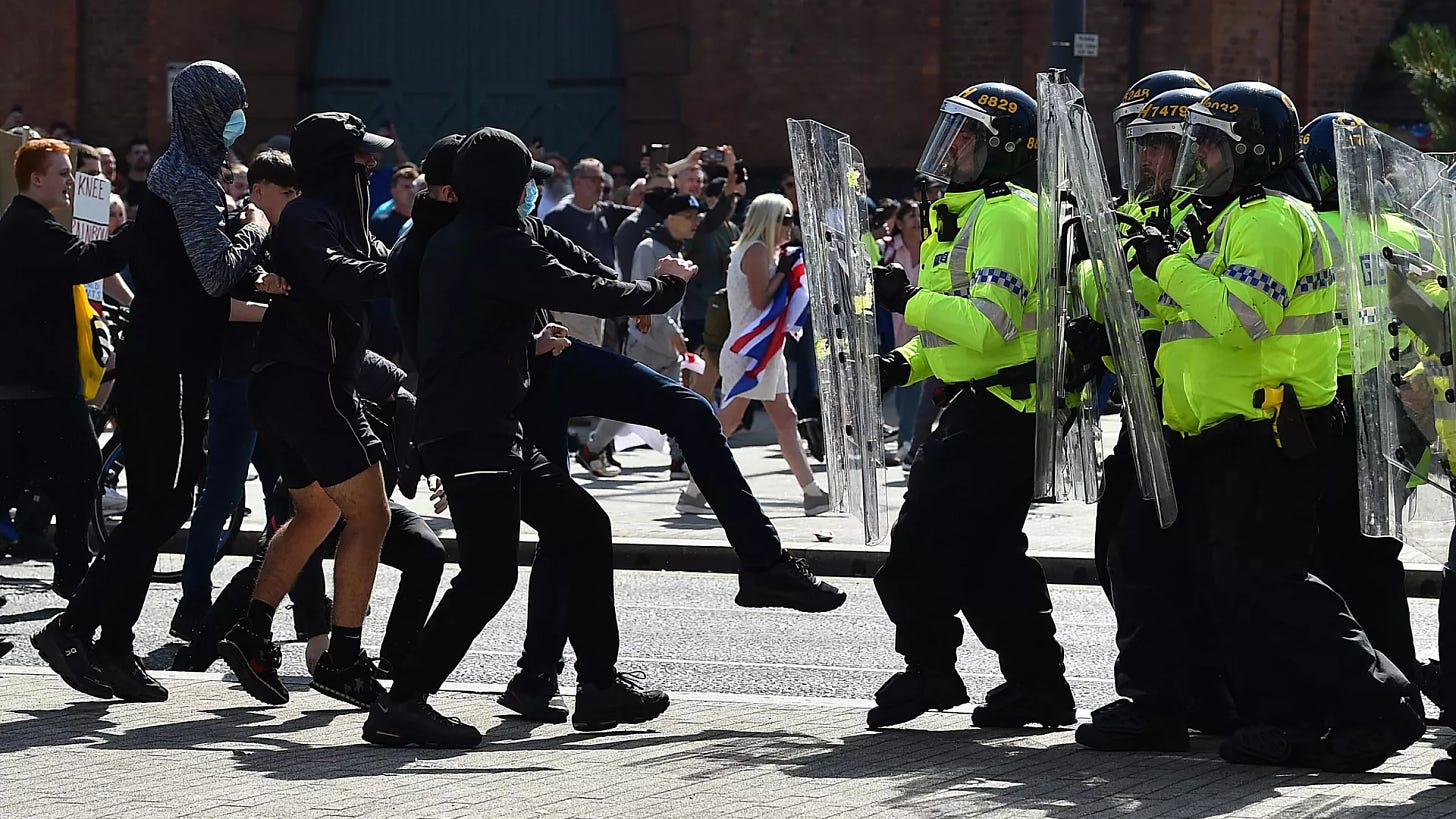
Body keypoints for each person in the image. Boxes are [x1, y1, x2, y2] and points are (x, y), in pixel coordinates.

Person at [363, 126, 689, 748]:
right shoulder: (490, 243)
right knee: (489, 576)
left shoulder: (457, 239)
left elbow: (471, 326)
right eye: (523, 182)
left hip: (487, 425)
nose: (530, 195)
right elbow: (585, 289)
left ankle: (598, 684)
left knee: (583, 527)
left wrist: (519, 345)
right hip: (472, 428)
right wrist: (663, 291)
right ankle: (403, 701)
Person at [1127, 82, 1421, 771]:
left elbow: (1241, 316)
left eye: (1210, 143)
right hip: (1224, 433)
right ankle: (1284, 717)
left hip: (1271, 428)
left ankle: (1382, 702)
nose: (1197, 155)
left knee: (1270, 582)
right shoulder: (1224, 216)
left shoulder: (1270, 217)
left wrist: (1162, 263)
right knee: (1235, 585)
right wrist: (1135, 257)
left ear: (1253, 151)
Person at [31, 60, 269, 703]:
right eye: (231, 105)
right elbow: (217, 274)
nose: (237, 117)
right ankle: (78, 628)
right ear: (204, 109)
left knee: (157, 506)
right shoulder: (187, 178)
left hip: (169, 358)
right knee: (166, 504)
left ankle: (110, 644)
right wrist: (257, 227)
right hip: (171, 363)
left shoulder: (185, 174)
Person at [870, 82, 1075, 731]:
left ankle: (932, 667)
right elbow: (957, 341)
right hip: (982, 403)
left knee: (917, 550)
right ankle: (1037, 685)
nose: (949, 147)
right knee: (988, 560)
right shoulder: (961, 215)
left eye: (967, 137)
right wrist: (901, 363)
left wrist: (906, 301)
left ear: (1003, 150)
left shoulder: (1008, 215)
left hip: (1002, 412)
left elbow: (988, 328)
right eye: (948, 132)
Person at [218, 112, 397, 710]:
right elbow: (333, 275)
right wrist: (403, 266)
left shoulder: (343, 218)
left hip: (300, 385)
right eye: (361, 158)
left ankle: (249, 632)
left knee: (316, 512)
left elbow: (384, 268)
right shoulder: (307, 216)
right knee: (370, 517)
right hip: (307, 384)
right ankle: (342, 657)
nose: (372, 166)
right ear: (333, 165)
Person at [1300, 111, 1422, 686]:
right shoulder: (1408, 234)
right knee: (1379, 550)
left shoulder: (1309, 227)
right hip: (1401, 403)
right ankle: (1402, 671)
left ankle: (1358, 681)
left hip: (1331, 400)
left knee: (1323, 550)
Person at [168, 149, 298, 640]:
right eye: (285, 192)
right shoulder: (232, 231)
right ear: (258, 189)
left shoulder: (277, 234)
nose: (293, 201)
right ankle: (193, 603)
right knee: (221, 496)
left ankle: (270, 602)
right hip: (234, 381)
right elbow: (219, 305)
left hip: (267, 378)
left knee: (284, 496)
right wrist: (278, 309)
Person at [0, 140, 134, 603]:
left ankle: (72, 571)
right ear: (36, 179)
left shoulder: (26, 225)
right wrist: (141, 229)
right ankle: (73, 573)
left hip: (29, 383)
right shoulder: (28, 227)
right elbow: (90, 260)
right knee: (80, 471)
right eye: (61, 173)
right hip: (42, 385)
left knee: (23, 479)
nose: (70, 181)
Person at [678, 193, 829, 515]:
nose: (791, 226)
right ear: (769, 221)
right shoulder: (757, 250)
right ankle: (692, 489)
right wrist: (784, 272)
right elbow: (761, 301)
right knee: (728, 424)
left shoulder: (763, 251)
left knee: (786, 419)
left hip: (766, 351)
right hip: (750, 351)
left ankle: (813, 493)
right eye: (785, 220)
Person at [543, 158, 636, 346]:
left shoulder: (605, 212)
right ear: (577, 181)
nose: (599, 186)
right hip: (575, 308)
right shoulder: (559, 217)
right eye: (593, 180)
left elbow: (644, 215)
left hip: (607, 301)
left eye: (601, 180)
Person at [370, 163, 418, 246]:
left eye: (414, 187)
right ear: (393, 191)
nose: (412, 191)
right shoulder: (379, 224)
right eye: (406, 187)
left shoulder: (425, 222)